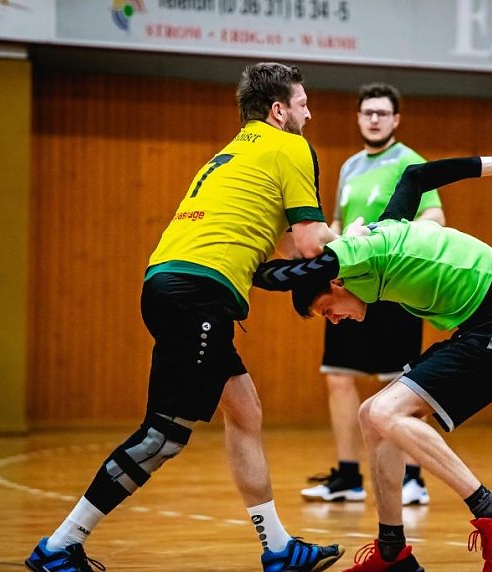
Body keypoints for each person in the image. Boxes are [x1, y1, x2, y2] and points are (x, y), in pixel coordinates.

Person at [25, 62, 344, 572]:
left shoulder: (233, 152)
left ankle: (279, 549)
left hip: (171, 284)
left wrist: (325, 241)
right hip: (197, 294)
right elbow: (308, 243)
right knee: (163, 437)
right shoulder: (290, 146)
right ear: (279, 110)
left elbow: (279, 243)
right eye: (304, 103)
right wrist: (363, 243)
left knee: (245, 412)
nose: (311, 111)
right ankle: (60, 546)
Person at [254, 154, 492, 571]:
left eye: (326, 309)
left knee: (386, 411)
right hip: (483, 328)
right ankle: (392, 552)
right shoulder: (382, 231)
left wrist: (234, 263)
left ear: (335, 283)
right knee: (372, 414)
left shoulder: (355, 253)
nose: (334, 319)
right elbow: (416, 176)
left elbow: (283, 277)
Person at [301, 83, 444, 506]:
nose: (375, 119)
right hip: (351, 288)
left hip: (394, 289)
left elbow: (434, 217)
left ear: (396, 119)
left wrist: (390, 243)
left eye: (382, 112)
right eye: (368, 112)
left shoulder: (412, 163)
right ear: (359, 117)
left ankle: (411, 478)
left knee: (397, 382)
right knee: (340, 377)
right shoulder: (349, 167)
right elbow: (341, 223)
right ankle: (348, 477)